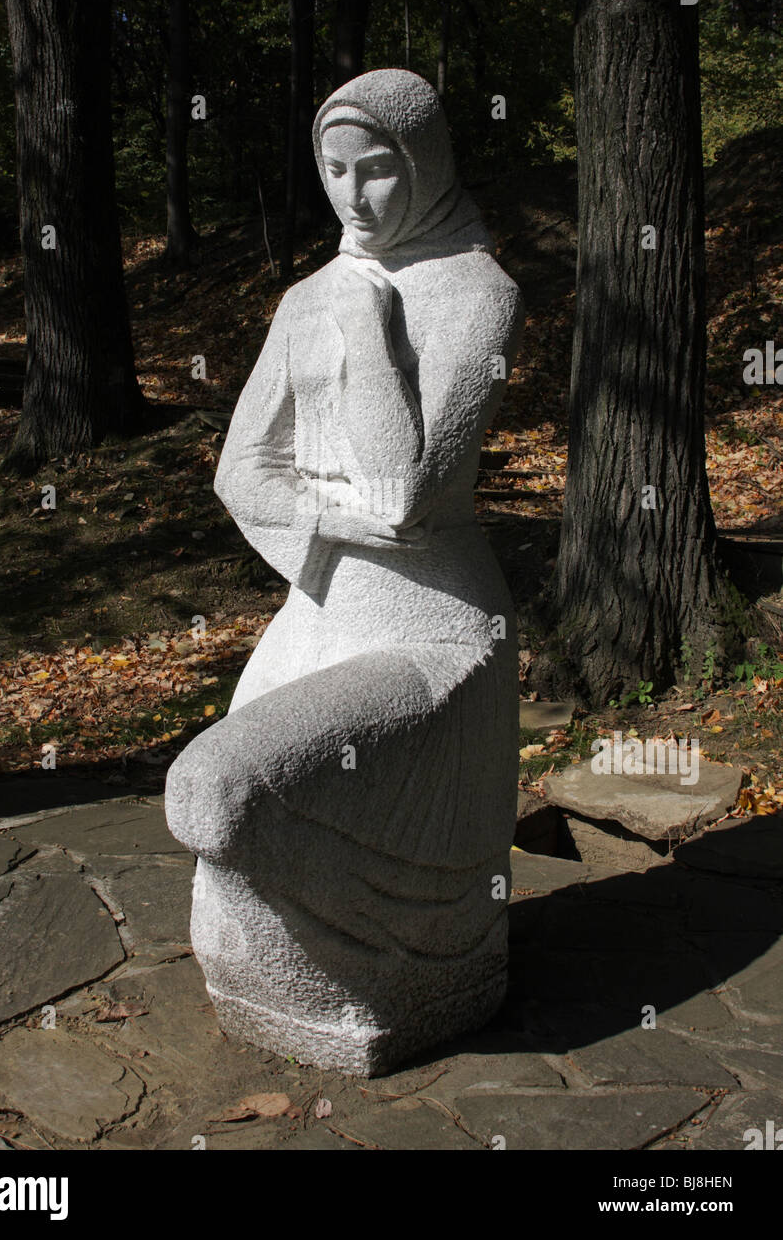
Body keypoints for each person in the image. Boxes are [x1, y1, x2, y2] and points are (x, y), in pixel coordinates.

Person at [167, 69, 525, 1075]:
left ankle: (423, 979)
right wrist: (337, 514)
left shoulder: (478, 295)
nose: (353, 197)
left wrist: (367, 327)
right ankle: (314, 988)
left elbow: (405, 487)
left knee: (221, 788)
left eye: (377, 169)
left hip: (436, 637)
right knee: (211, 818)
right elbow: (241, 472)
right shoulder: (302, 298)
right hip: (316, 610)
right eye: (333, 171)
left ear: (425, 161)